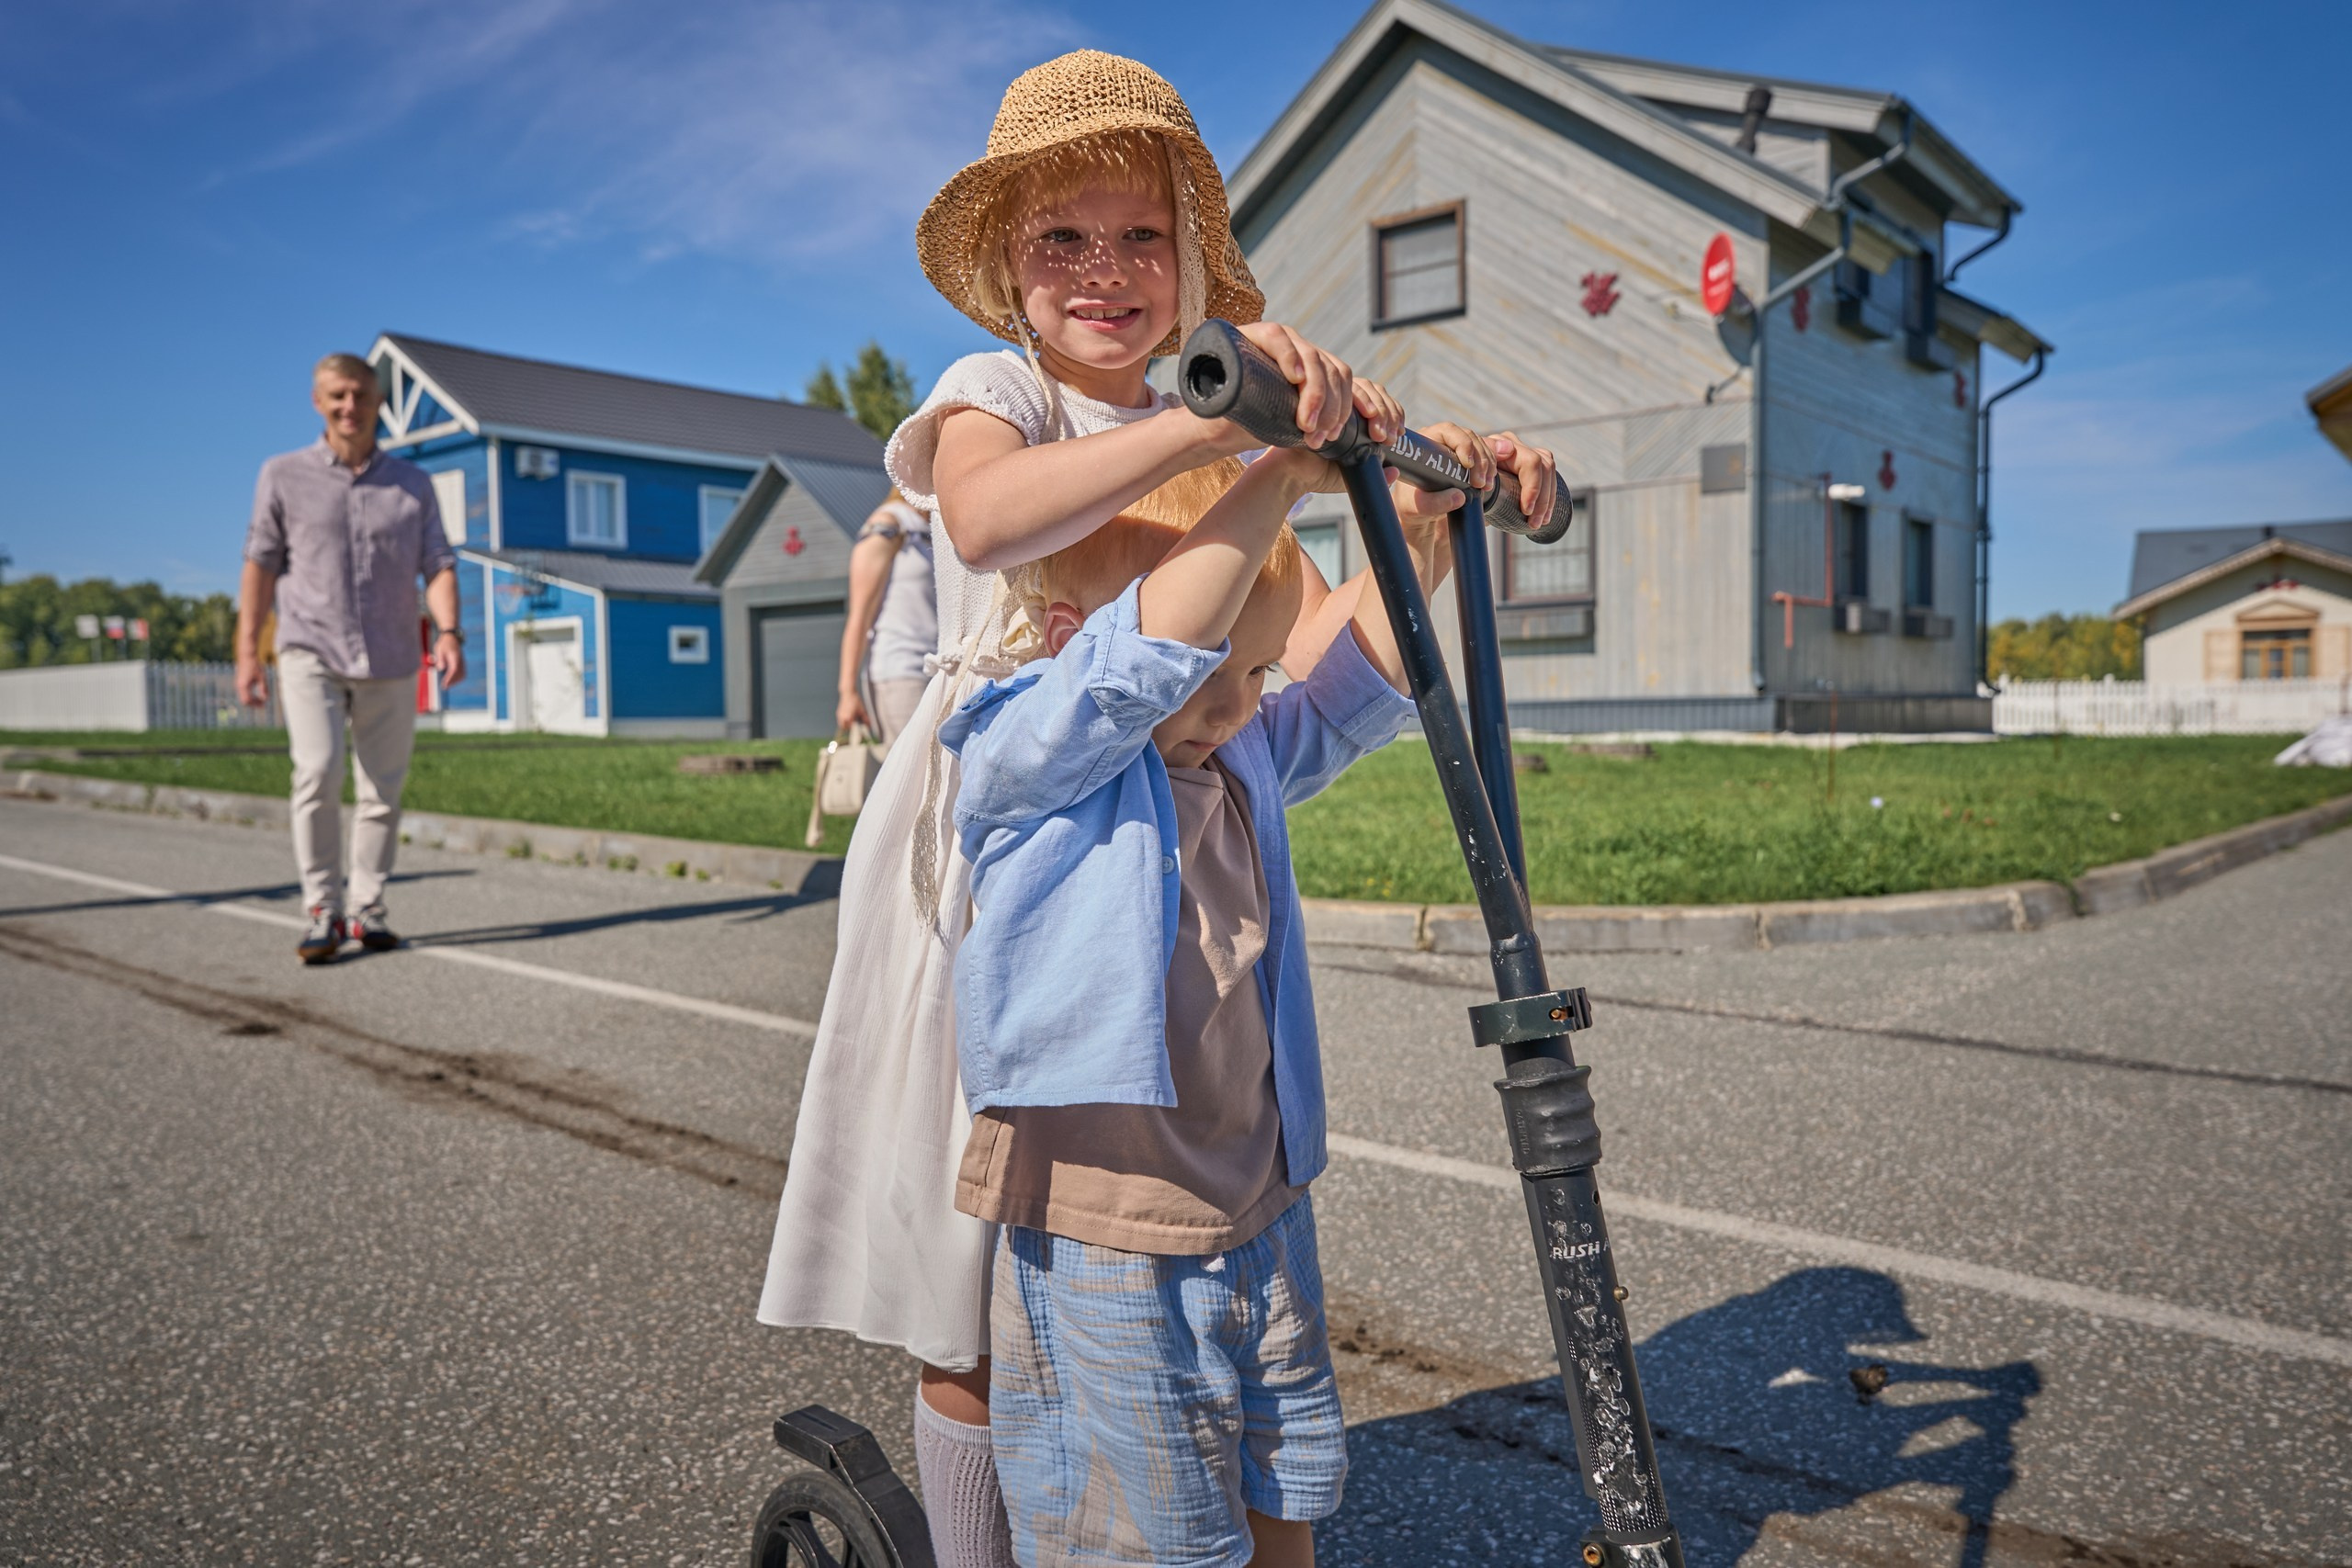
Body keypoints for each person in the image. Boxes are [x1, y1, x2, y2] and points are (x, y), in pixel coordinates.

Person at [753, 50, 1555, 1568]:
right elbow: (987, 519)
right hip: (996, 856)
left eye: (1140, 238)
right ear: (1007, 263)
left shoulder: (1232, 442)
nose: (1104, 273)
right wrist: (1225, 428)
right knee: (969, 1279)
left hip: (1178, 817)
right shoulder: (1005, 393)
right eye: (1062, 238)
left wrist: (1415, 539)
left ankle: (1165, 1482)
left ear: (1191, 259)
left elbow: (1299, 699)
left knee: (1138, 1242)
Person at [940, 431, 1470, 1563]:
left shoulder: (1228, 761)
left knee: (1288, 1474)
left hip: (1258, 1199)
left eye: (1256, 671)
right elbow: (1140, 667)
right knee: (1143, 1531)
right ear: (1072, 640)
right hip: (1108, 1219)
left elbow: (1351, 689)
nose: (1240, 706)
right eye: (1215, 671)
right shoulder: (1029, 749)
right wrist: (1271, 475)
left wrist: (1417, 529)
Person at [236, 353, 465, 964]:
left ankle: (367, 908)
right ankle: (321, 907)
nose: (349, 406)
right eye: (337, 395)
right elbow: (259, 564)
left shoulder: (412, 485)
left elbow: (438, 562)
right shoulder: (281, 475)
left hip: (391, 653)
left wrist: (448, 632)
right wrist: (246, 653)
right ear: (318, 402)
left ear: (378, 402)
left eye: (361, 395)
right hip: (309, 647)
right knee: (317, 770)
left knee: (381, 789)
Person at [835, 489, 937, 747]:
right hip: (901, 671)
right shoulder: (888, 525)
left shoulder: (936, 527)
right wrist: (847, 692)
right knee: (914, 778)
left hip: (937, 670)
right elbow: (859, 616)